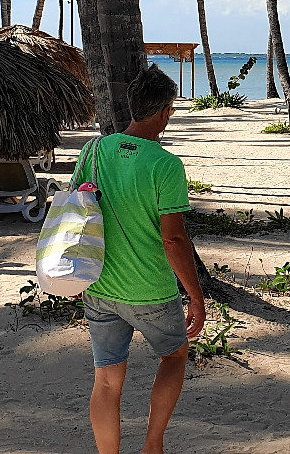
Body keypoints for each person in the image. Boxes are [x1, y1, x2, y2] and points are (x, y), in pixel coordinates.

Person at [83, 65, 205, 454]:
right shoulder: (165, 164)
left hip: (99, 285)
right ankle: (152, 446)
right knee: (173, 355)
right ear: (166, 112)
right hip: (150, 290)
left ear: (133, 107)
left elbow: (78, 209)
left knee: (105, 382)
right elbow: (172, 239)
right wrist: (196, 296)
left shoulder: (94, 150)